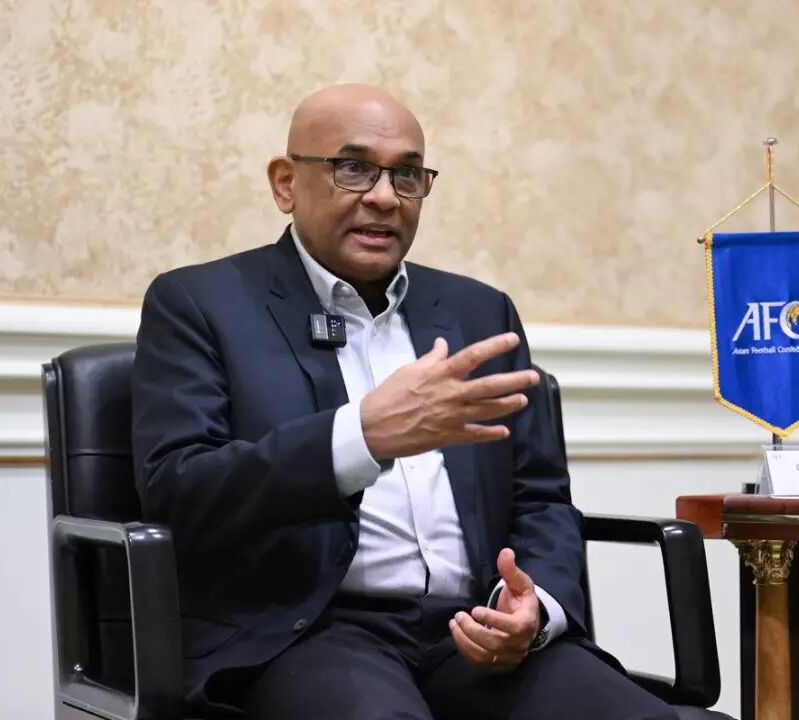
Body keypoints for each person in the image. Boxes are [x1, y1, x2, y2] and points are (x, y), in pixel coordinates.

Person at [132, 84, 715, 719]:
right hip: (308, 635)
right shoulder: (201, 304)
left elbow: (540, 498)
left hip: (475, 630)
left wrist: (536, 608)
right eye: (353, 168)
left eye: (407, 174)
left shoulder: (478, 312)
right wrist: (361, 437)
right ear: (285, 183)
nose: (385, 197)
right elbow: (179, 489)